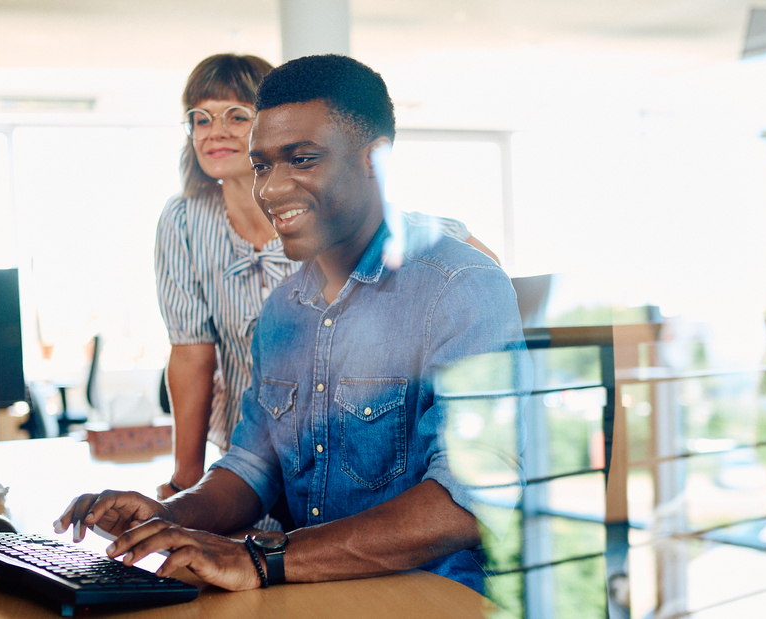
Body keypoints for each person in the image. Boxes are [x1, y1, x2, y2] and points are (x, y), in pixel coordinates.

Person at [58, 54, 527, 593]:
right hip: (316, 590)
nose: (271, 189)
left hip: (438, 595)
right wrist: (170, 515)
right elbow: (253, 466)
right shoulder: (282, 310)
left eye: (302, 159)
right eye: (261, 165)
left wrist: (263, 559)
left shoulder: (460, 286)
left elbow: (469, 499)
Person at [155, 54, 497, 501]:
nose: (214, 131)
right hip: (254, 461)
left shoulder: (347, 217)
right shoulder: (184, 220)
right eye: (200, 119)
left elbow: (471, 267)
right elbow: (191, 353)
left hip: (367, 469)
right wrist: (184, 486)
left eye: (235, 116)